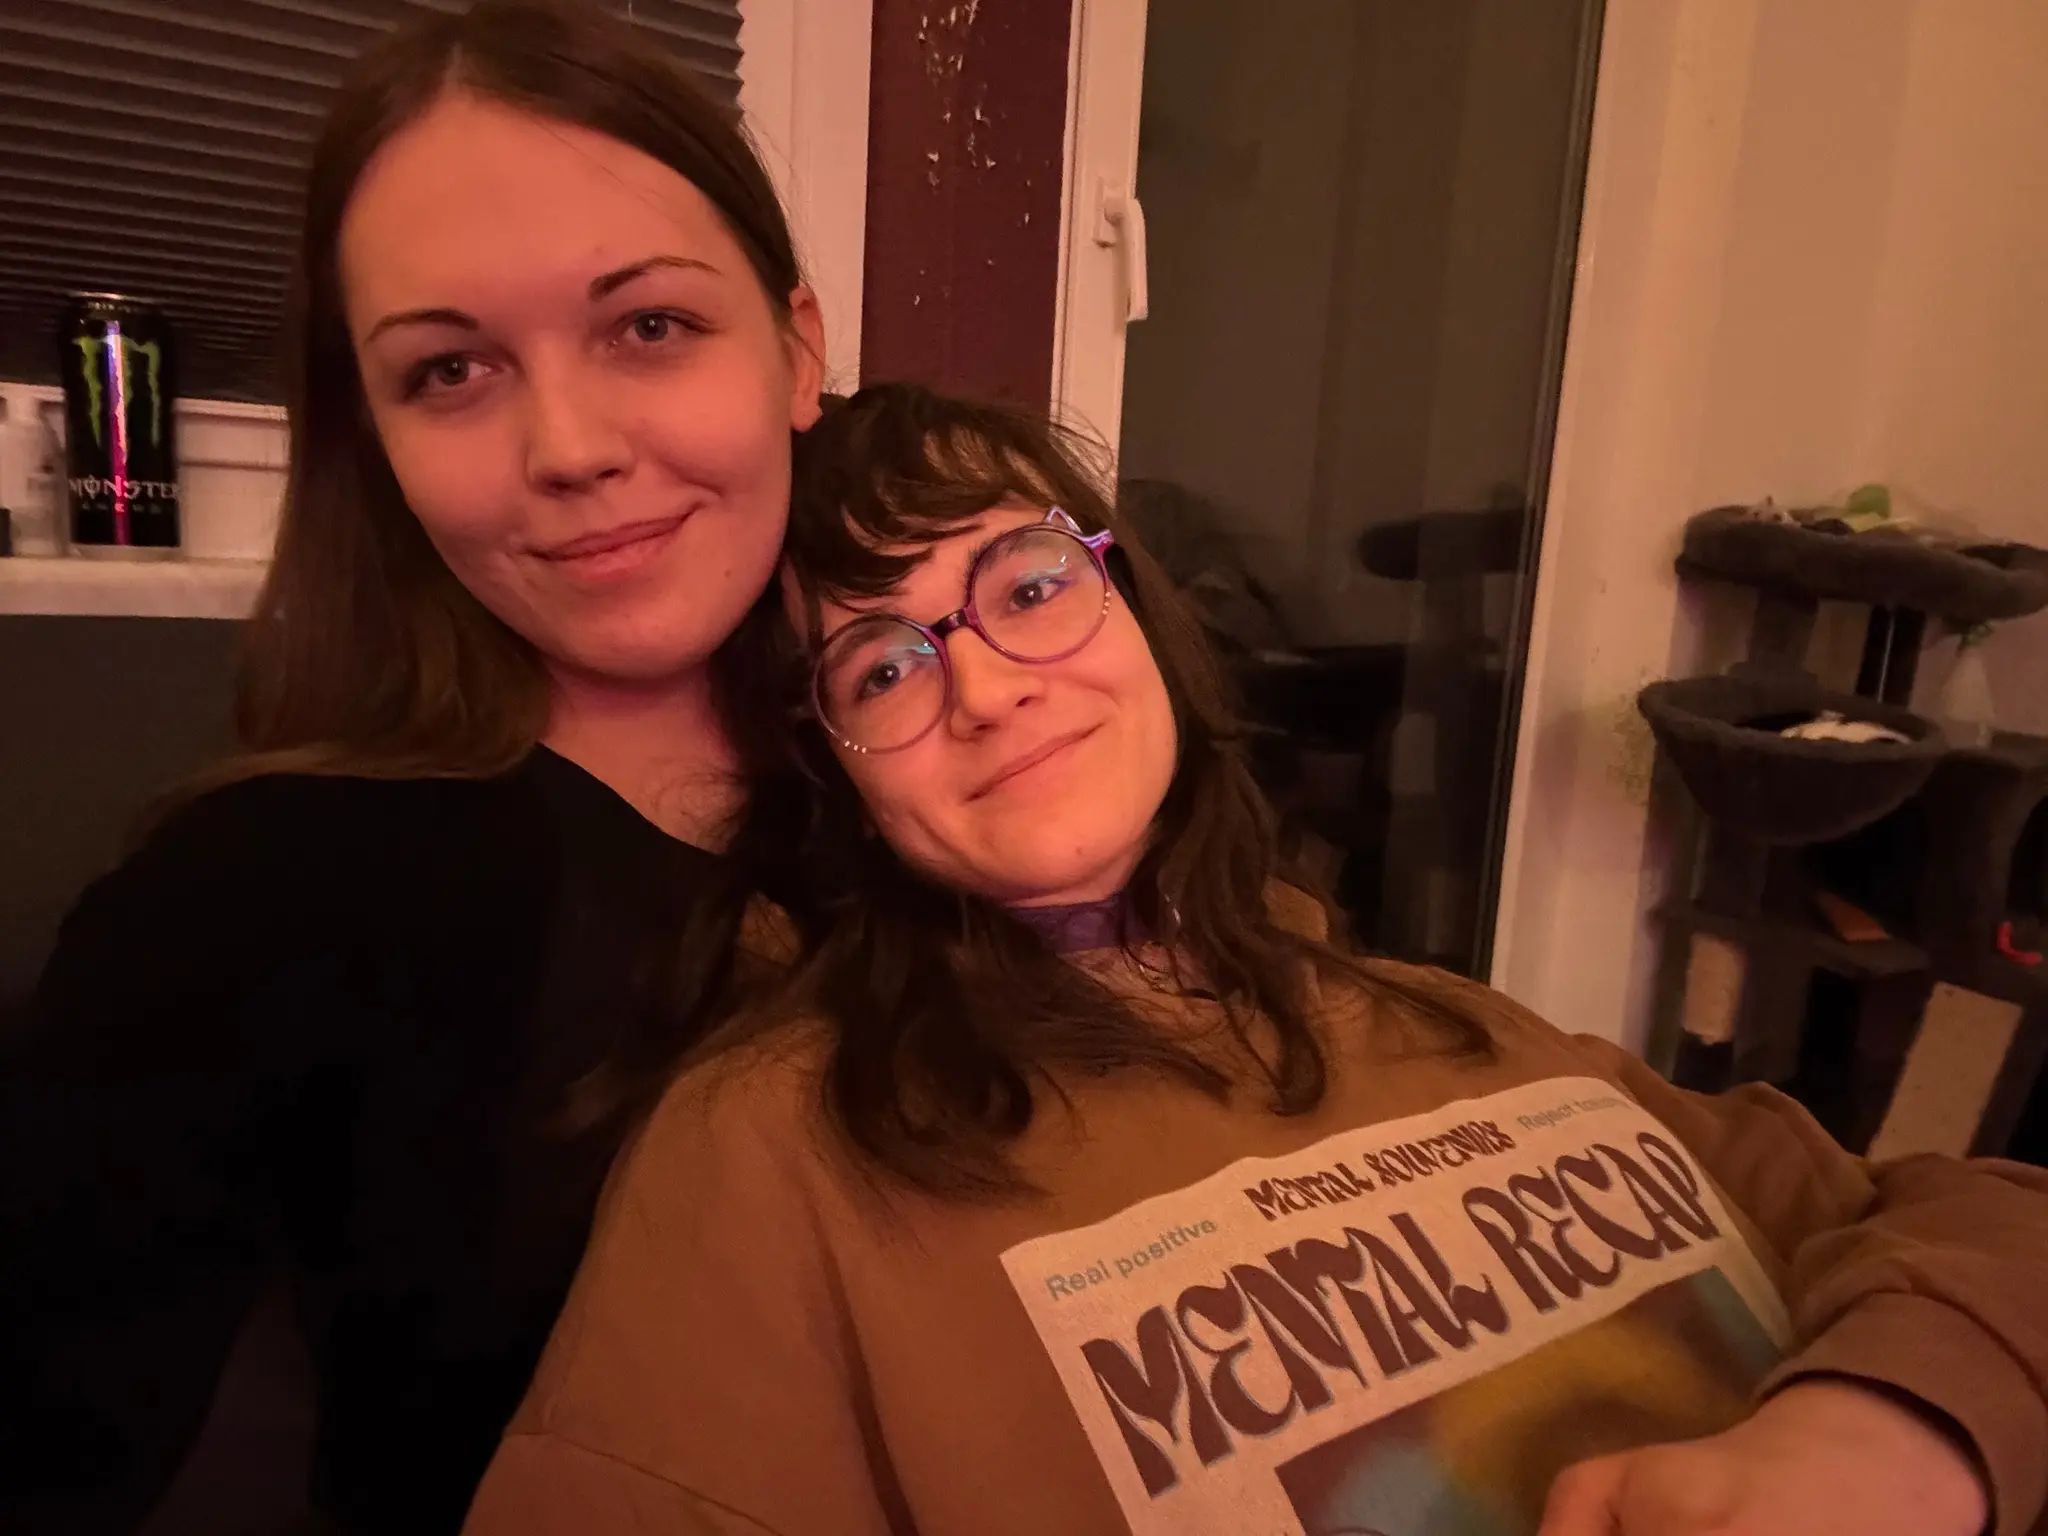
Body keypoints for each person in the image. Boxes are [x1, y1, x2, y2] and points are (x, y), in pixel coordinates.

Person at [464, 384, 2048, 1536]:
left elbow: (1986, 1218)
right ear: (835, 777)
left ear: (1133, 612)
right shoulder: (777, 1156)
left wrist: (1883, 1434)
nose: (989, 686)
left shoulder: (1435, 1017)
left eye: (1029, 584)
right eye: (880, 664)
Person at [0, 4, 823, 1532]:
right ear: (371, 436)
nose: (567, 447)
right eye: (450, 370)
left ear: (799, 349)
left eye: (648, 326)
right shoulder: (256, 899)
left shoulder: (939, 759)